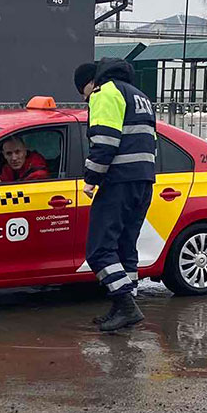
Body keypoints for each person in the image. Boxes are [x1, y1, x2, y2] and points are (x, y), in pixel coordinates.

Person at [73, 57, 156, 332]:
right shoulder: (139, 96)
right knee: (124, 248)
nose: (86, 100)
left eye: (83, 93)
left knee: (98, 251)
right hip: (143, 181)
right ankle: (123, 305)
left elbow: (105, 140)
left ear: (90, 84)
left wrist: (91, 178)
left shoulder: (105, 93)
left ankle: (127, 307)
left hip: (118, 181)